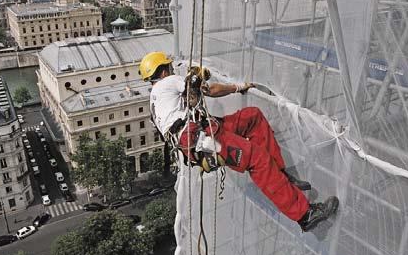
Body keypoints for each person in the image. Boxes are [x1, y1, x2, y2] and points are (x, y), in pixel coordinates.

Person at [139, 51, 339, 232]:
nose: (173, 69)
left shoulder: (154, 100)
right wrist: (238, 87)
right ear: (163, 71)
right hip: (204, 138)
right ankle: (304, 215)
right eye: (169, 67)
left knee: (252, 117)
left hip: (205, 131)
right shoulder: (168, 82)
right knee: (258, 160)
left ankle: (281, 175)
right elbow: (210, 90)